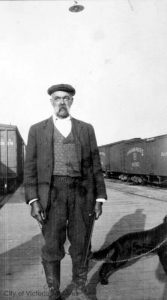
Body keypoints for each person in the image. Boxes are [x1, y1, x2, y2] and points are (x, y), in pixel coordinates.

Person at [24, 84, 107, 300]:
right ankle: (54, 291)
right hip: (51, 195)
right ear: (51, 101)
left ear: (72, 101)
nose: (62, 102)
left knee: (81, 243)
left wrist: (98, 198)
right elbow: (30, 168)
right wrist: (33, 200)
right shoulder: (37, 130)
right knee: (52, 244)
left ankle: (80, 288)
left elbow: (95, 165)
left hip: (82, 194)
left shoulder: (86, 129)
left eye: (66, 98)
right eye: (57, 98)